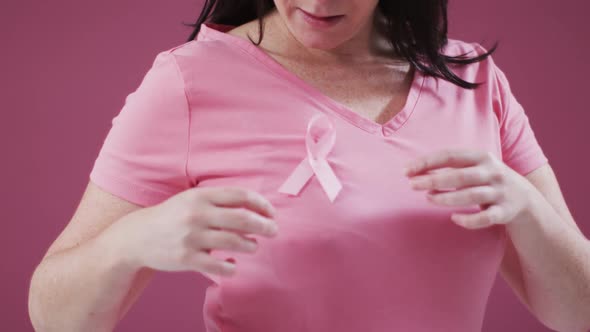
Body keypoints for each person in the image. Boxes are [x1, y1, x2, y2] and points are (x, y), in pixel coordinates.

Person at [28, 1, 590, 332]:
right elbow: (52, 316)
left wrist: (528, 209)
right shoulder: (187, 82)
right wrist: (131, 240)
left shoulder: (473, 81)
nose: (319, 3)